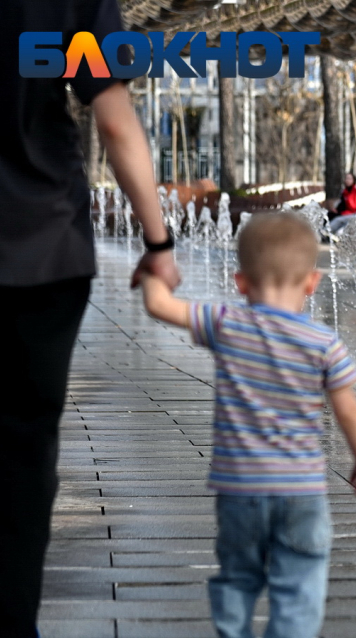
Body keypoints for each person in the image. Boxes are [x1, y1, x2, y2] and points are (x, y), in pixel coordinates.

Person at [0, 2, 181, 635]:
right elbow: (114, 118)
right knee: (25, 447)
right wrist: (157, 243)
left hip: (44, 247)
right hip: (42, 246)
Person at [140, 212, 356, 638]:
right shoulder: (324, 343)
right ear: (311, 282)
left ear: (240, 282)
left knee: (237, 578)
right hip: (300, 491)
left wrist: (155, 265)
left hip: (239, 491)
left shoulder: (227, 323)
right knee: (300, 583)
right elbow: (348, 409)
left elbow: (158, 305)